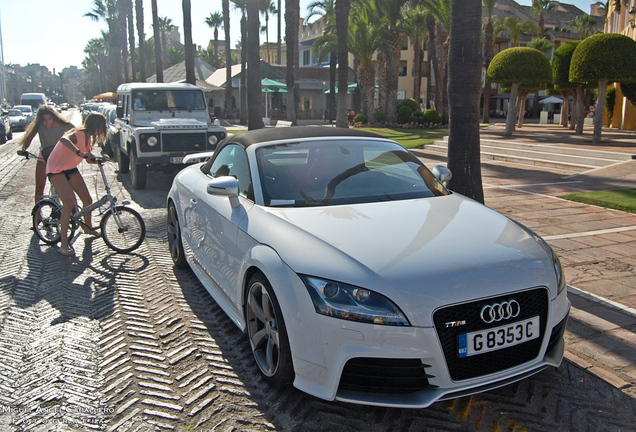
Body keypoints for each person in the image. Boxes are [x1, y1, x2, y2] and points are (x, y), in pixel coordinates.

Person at [46, 113, 107, 256]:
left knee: (87, 200)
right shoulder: (78, 133)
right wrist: (78, 152)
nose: (102, 131)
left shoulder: (89, 139)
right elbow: (63, 139)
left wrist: (99, 159)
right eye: (101, 128)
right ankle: (64, 244)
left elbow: (87, 159)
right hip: (56, 168)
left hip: (69, 168)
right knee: (68, 204)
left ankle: (88, 228)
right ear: (95, 125)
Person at [19, 106, 74, 204]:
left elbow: (77, 134)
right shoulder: (39, 125)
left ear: (54, 116)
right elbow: (29, 137)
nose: (47, 122)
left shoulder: (65, 125)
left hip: (60, 160)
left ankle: (71, 211)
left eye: (49, 118)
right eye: (44, 120)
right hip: (43, 158)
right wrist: (24, 148)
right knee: (39, 186)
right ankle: (37, 213)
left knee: (66, 187)